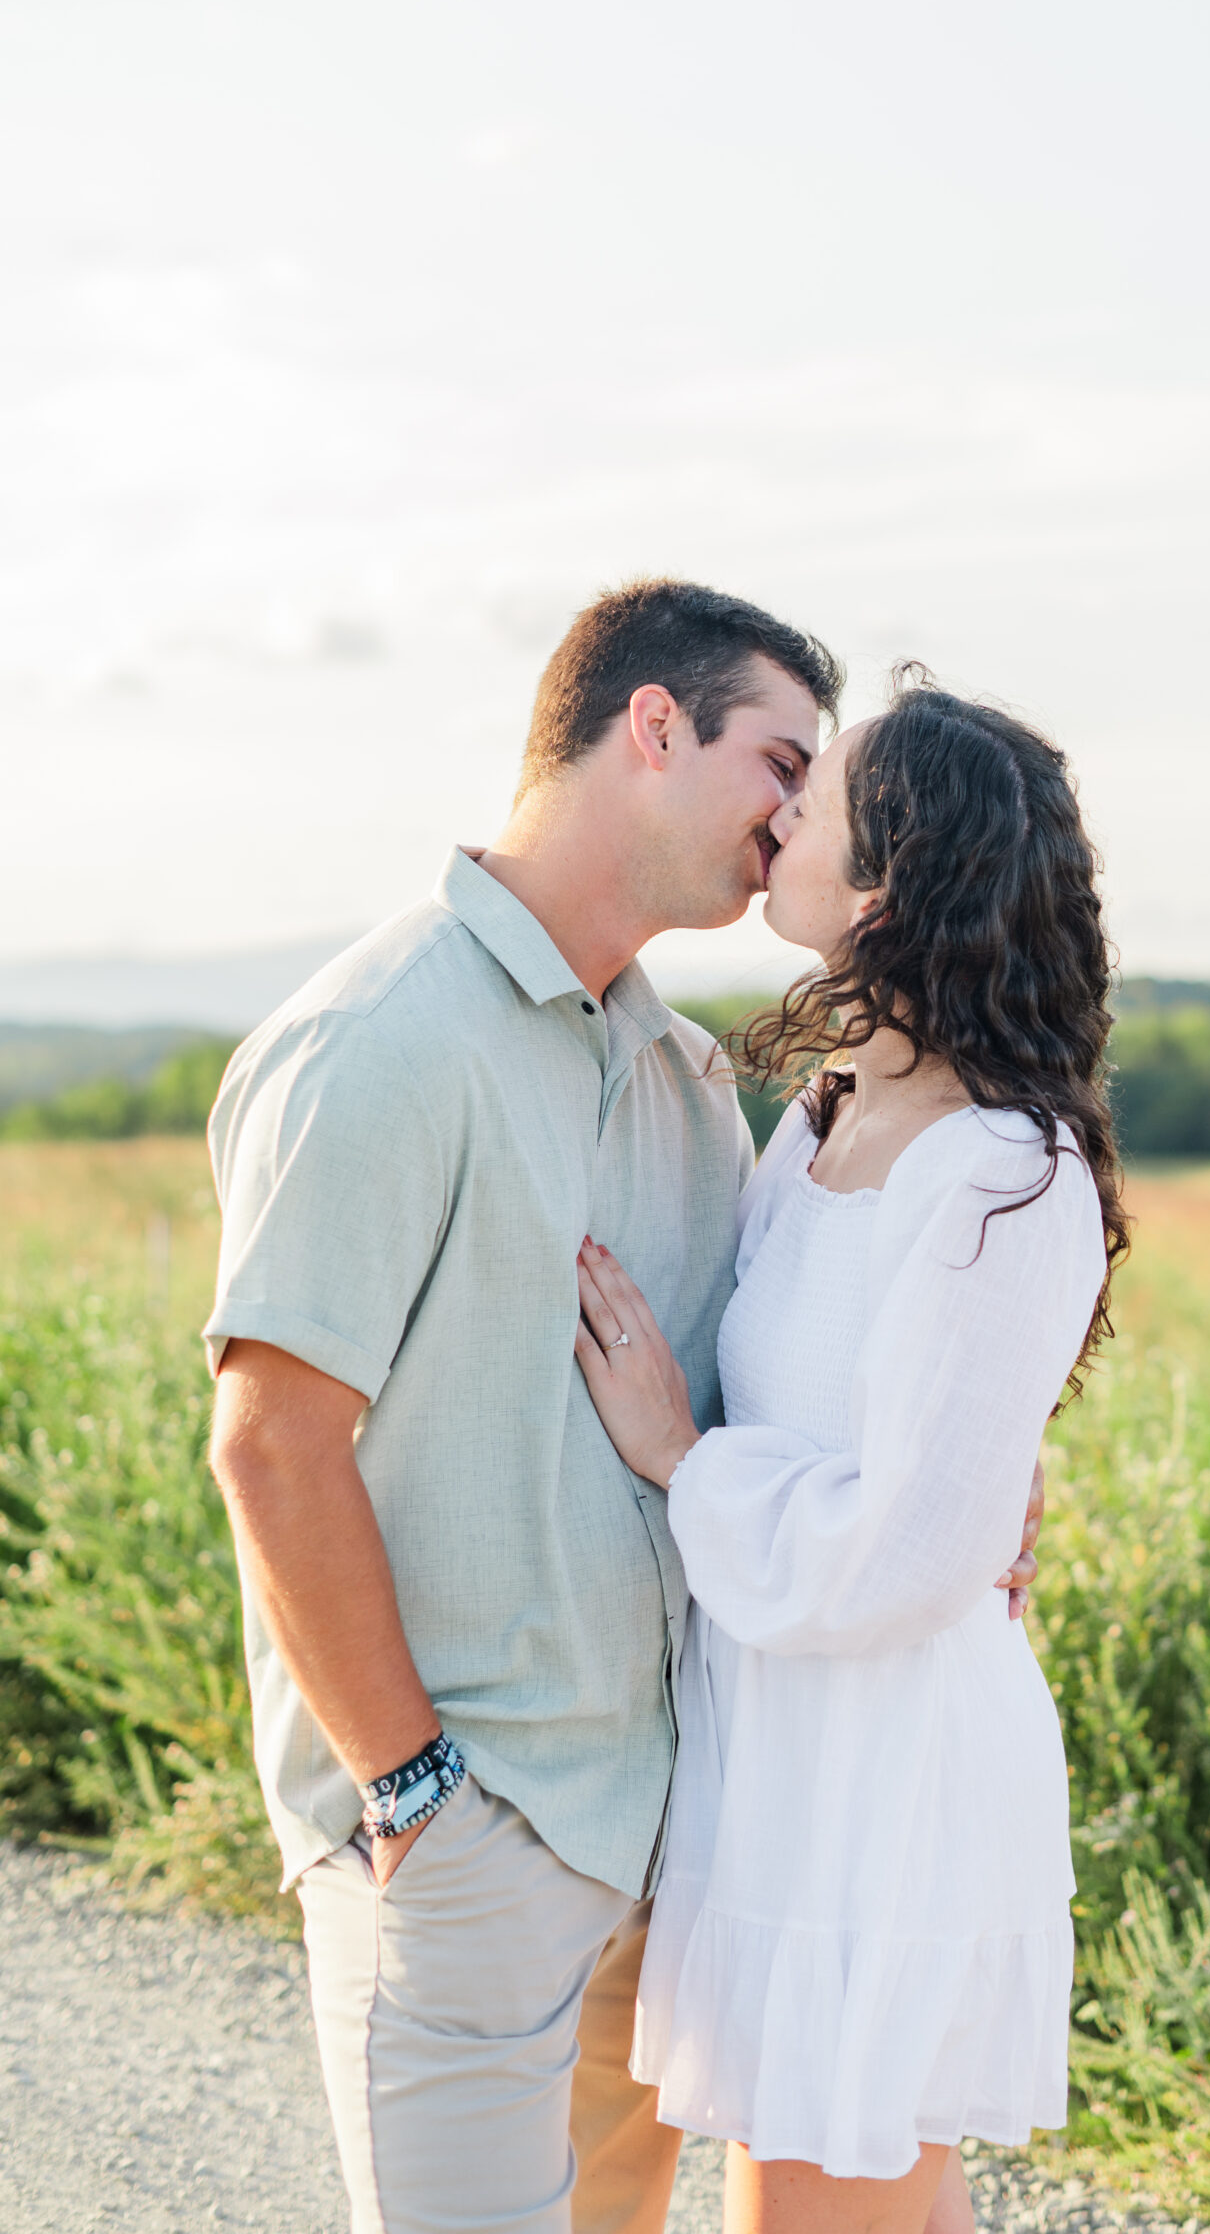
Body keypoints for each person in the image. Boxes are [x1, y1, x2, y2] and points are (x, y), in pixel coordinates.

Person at [203, 581, 1042, 2234]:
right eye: (779, 761)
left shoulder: (687, 1081)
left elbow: (774, 1397)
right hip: (466, 1841)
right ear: (652, 729)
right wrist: (415, 1793)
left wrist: (966, 1485)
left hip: (668, 1849)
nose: (797, 817)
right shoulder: (382, 1042)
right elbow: (270, 1443)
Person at [573, 673, 1128, 2234]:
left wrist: (685, 1462)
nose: (779, 812)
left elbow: (908, 1556)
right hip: (783, 1749)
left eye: (813, 797)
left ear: (885, 880)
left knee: (816, 2211)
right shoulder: (819, 1117)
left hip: (886, 1775)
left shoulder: (1005, 1173)